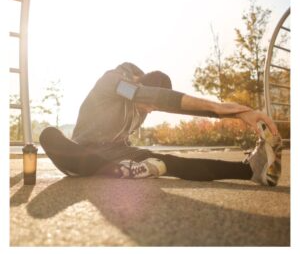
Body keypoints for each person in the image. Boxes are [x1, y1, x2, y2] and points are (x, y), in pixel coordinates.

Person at [40, 62, 282, 186]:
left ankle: (250, 170)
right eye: (151, 105)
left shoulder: (143, 102)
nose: (151, 110)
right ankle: (118, 170)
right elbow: (152, 97)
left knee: (172, 161)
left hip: (119, 156)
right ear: (138, 82)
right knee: (49, 135)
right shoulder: (115, 82)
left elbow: (174, 104)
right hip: (81, 154)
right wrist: (222, 107)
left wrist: (239, 113)